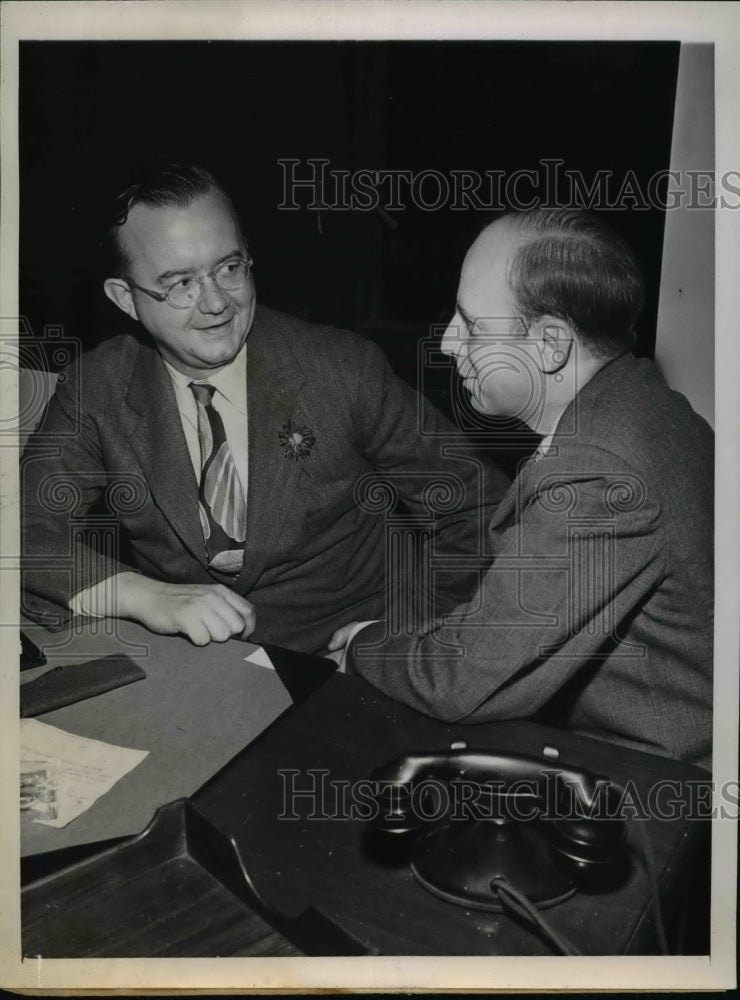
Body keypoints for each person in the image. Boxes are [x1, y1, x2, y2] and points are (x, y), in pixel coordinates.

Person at [21, 164, 508, 653]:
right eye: (179, 284)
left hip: (346, 657)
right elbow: (21, 530)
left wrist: (399, 636)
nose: (215, 303)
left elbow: (480, 509)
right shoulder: (96, 387)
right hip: (191, 666)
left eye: (229, 268)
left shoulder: (341, 368)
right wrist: (145, 596)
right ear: (125, 299)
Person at [335, 207, 713, 768]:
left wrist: (362, 643)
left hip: (653, 778)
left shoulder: (597, 474)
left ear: (550, 344)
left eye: (471, 323)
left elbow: (461, 683)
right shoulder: (649, 403)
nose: (446, 343)